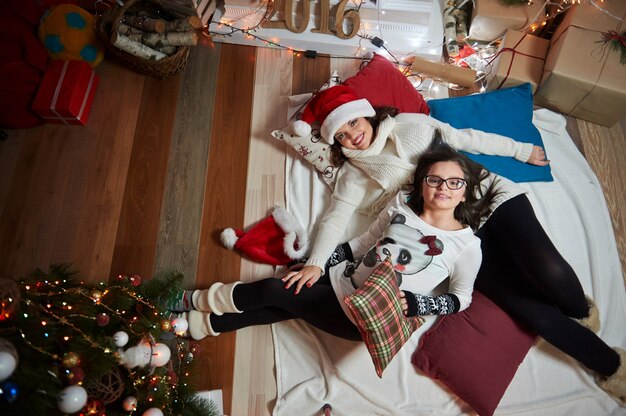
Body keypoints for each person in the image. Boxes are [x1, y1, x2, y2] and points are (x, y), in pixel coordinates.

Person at [282, 85, 626, 402]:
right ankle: (614, 367)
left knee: (550, 270)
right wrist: (316, 261)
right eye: (341, 135)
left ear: (367, 113)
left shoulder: (410, 126)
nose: (353, 135)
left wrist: (520, 150)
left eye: (353, 122)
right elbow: (336, 217)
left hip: (488, 198)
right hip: (456, 241)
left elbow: (463, 139)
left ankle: (582, 313)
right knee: (531, 311)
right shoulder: (354, 174)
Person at [169, 144, 494, 345]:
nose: (443, 188)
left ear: (465, 192)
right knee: (285, 298)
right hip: (342, 278)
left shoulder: (466, 246)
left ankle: (193, 299)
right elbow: (364, 242)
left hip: (362, 316)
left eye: (454, 183)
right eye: (434, 180)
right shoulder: (400, 206)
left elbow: (461, 299)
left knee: (274, 291)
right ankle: (204, 324)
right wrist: (318, 262)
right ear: (423, 184)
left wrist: (422, 305)